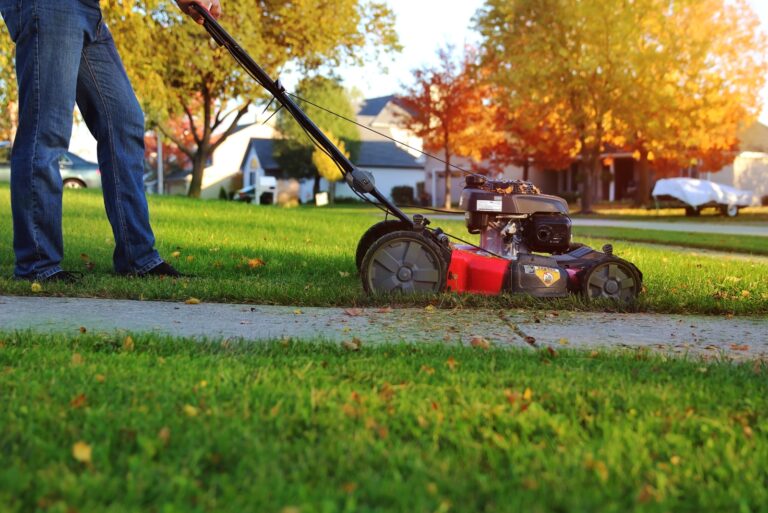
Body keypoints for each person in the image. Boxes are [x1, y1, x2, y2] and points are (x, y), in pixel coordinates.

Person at [0, 0, 221, 282]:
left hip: (87, 8)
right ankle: (37, 265)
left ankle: (137, 257)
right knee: (47, 130)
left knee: (124, 120)